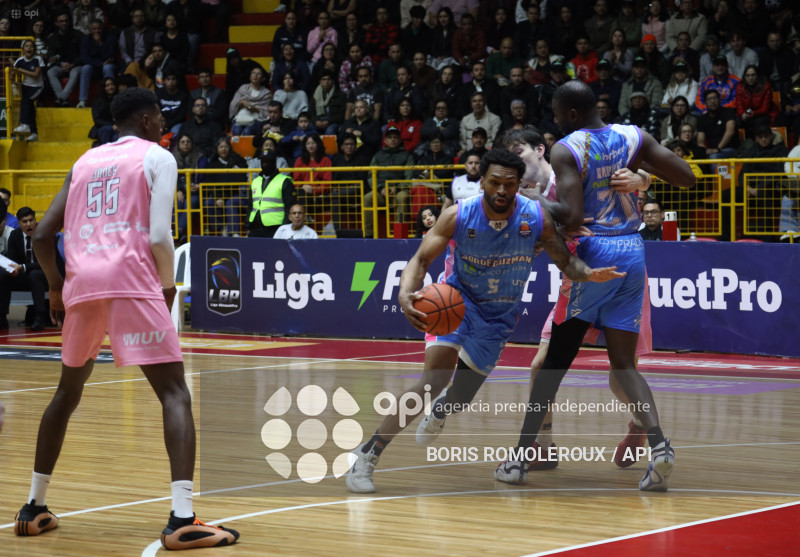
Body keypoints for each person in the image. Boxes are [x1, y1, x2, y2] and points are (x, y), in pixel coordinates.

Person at [14, 91, 240, 549]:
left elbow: (41, 234)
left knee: (66, 394)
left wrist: (56, 286)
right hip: (132, 280)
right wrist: (168, 282)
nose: (163, 124)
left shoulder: (84, 161)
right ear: (146, 118)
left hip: (82, 284)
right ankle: (181, 519)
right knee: (175, 393)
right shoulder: (157, 157)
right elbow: (159, 233)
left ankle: (34, 508)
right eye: (160, 116)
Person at [346, 148, 625, 494]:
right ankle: (368, 454)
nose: (502, 190)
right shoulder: (456, 215)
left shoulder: (535, 217)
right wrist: (405, 293)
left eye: (510, 183)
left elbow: (566, 262)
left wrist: (588, 274)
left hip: (498, 318)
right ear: (482, 182)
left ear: (518, 185)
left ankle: (443, 409)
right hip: (454, 304)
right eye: (494, 182)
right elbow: (419, 259)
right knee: (431, 381)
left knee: (460, 397)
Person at [495, 80, 695, 491]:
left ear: (570, 114)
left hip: (592, 257)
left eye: (555, 113)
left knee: (552, 366)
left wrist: (527, 202)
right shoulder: (633, 135)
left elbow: (570, 218)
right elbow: (687, 177)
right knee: (623, 366)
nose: (553, 121)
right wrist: (644, 179)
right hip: (633, 251)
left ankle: (518, 459)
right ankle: (660, 449)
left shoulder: (568, 147)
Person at [494, 127, 654, 472]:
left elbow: (637, 174)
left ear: (540, 150)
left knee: (620, 374)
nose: (517, 164)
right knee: (540, 366)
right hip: (576, 280)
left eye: (519, 153)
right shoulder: (523, 198)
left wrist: (642, 181)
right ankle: (543, 447)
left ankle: (641, 424)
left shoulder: (574, 164)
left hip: (619, 270)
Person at [0, 207, 63, 331]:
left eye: (31, 220)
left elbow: (48, 261)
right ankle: (2, 316)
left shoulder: (46, 234)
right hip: (25, 274)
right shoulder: (15, 235)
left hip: (47, 274)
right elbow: (13, 260)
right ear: (19, 223)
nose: (29, 224)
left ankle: (39, 317)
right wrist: (11, 268)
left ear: (35, 220)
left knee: (35, 274)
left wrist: (23, 267)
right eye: (24, 221)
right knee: (4, 275)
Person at [362, 126, 415, 238]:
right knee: (367, 198)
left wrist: (397, 188)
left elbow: (409, 177)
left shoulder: (407, 156)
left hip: (399, 191)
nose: (392, 140)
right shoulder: (378, 156)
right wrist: (381, 189)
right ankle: (369, 235)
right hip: (381, 191)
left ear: (400, 140)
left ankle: (399, 234)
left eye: (395, 137)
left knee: (402, 197)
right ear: (385, 140)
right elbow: (371, 176)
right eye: (390, 137)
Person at [248, 151, 297, 238]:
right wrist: (248, 225)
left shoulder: (285, 181)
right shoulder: (255, 181)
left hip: (276, 229)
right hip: (255, 228)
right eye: (263, 160)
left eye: (267, 160)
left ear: (274, 161)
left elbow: (290, 206)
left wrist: (285, 228)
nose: (264, 163)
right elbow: (250, 206)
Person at [11, 40, 45, 142]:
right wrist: (13, 78)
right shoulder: (19, 61)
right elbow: (12, 74)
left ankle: (25, 124)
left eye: (31, 46)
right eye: (27, 46)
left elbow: (35, 75)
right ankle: (34, 133)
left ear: (34, 49)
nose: (29, 48)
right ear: (23, 49)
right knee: (29, 107)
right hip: (26, 87)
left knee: (26, 101)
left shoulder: (38, 59)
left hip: (38, 87)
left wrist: (20, 70)